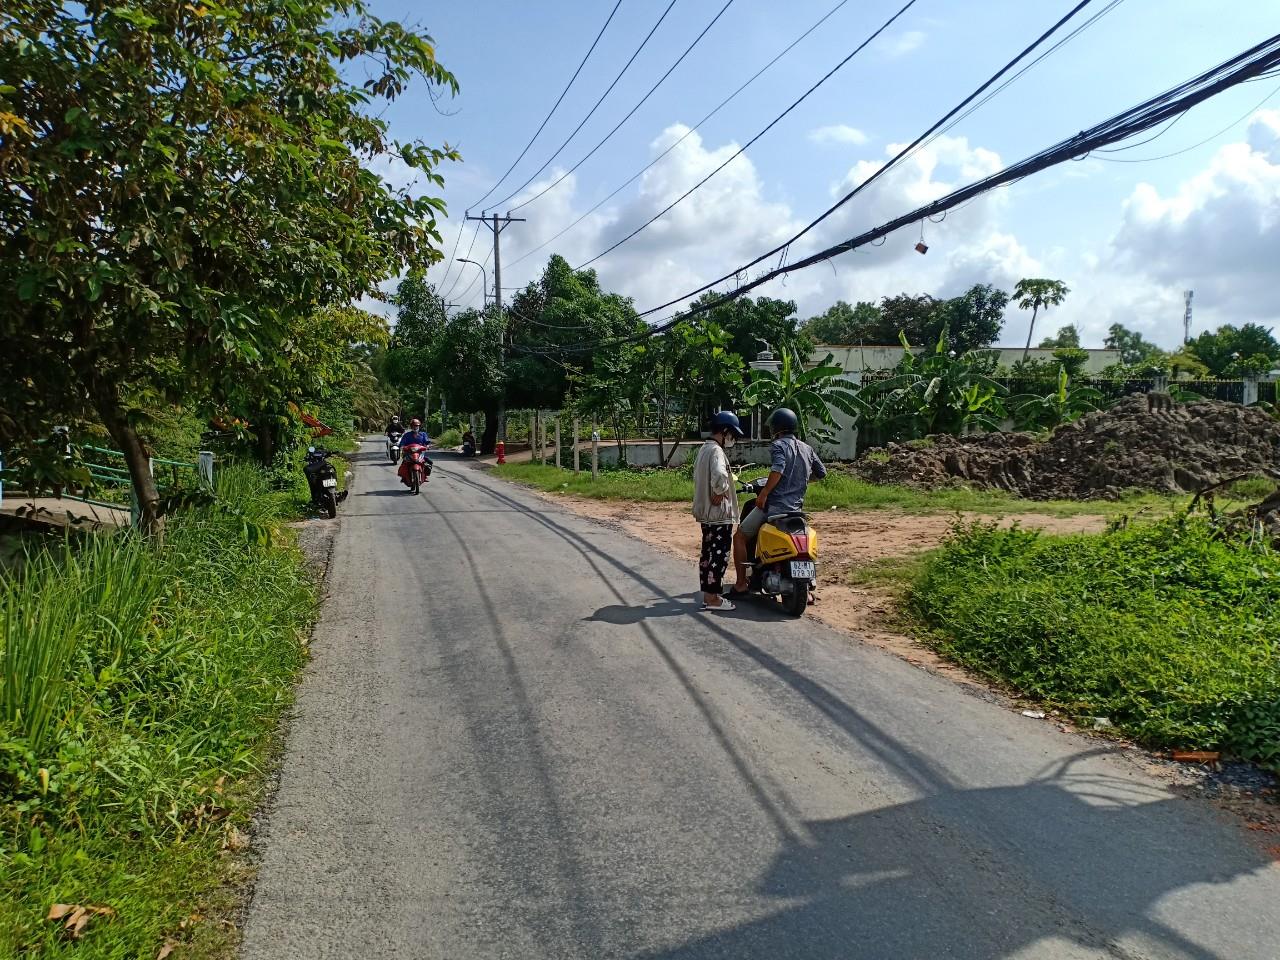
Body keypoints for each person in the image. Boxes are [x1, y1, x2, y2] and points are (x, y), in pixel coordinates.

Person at [731, 407, 826, 596]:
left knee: (739, 537)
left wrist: (764, 493)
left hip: (774, 507)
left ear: (776, 428)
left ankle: (741, 584)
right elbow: (821, 473)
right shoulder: (807, 448)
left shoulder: (779, 445)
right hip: (797, 509)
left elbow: (778, 469)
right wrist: (800, 480)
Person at [692, 411, 744, 612]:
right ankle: (713, 598)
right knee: (719, 556)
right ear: (724, 431)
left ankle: (708, 595)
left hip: (707, 515)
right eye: (732, 434)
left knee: (708, 555)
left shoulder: (704, 449)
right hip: (719, 515)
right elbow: (720, 475)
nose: (732, 439)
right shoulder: (716, 451)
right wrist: (720, 491)